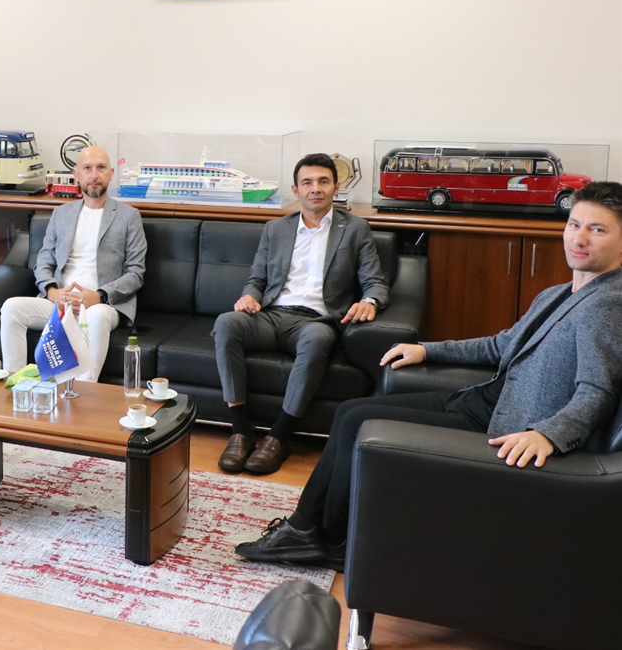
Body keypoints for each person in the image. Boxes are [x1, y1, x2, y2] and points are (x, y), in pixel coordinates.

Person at [235, 180, 622, 570]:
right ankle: (319, 536)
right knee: (349, 411)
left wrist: (548, 435)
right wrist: (428, 349)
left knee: (355, 420)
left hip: (502, 427)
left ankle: (312, 534)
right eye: (574, 225)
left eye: (597, 229)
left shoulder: (606, 305)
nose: (579, 238)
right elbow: (501, 345)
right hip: (484, 400)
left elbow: (598, 391)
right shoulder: (559, 294)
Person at [214, 153, 389, 475]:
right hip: (271, 315)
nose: (315, 189)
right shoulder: (276, 228)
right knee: (227, 323)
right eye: (307, 183)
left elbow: (375, 282)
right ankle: (240, 430)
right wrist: (249, 296)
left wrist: (370, 302)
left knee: (317, 338)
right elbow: (256, 280)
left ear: (336, 187)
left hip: (316, 320)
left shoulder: (355, 229)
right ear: (296, 190)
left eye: (323, 181)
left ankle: (279, 436)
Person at [0, 146, 146, 380]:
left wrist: (99, 296)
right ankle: (16, 384)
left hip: (103, 305)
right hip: (61, 302)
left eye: (101, 168)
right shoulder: (61, 214)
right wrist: (52, 292)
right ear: (76, 175)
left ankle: (85, 392)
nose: (94, 175)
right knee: (11, 308)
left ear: (111, 173)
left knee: (97, 316)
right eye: (87, 168)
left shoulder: (129, 216)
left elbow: (135, 273)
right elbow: (44, 260)